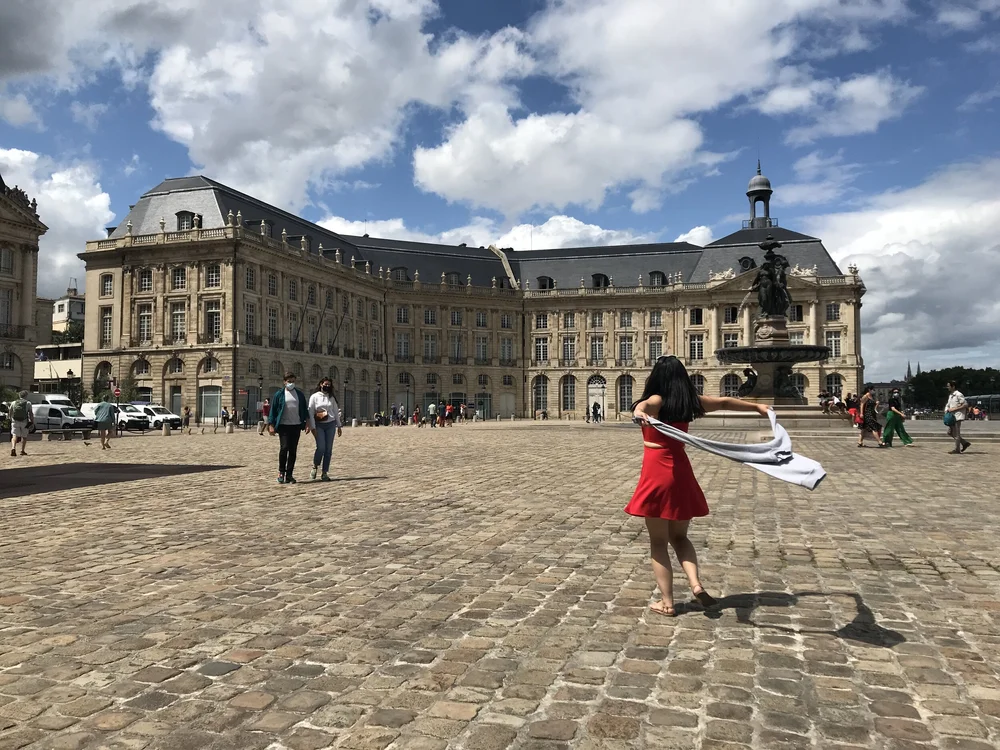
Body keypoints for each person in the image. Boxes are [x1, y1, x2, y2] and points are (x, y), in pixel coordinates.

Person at [628, 356, 769, 617]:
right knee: (680, 537)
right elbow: (725, 402)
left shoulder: (657, 400)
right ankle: (696, 585)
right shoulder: (690, 401)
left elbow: (645, 405)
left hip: (657, 473)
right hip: (681, 471)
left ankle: (667, 603)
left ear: (657, 377)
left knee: (658, 542)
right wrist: (757, 407)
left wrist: (639, 413)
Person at [268, 371, 310, 484]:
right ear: (284, 382)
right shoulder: (279, 394)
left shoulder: (299, 394)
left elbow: (304, 410)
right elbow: (273, 410)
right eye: (288, 381)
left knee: (293, 450)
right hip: (283, 425)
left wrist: (307, 423)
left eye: (292, 381)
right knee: (284, 448)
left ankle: (289, 474)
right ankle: (281, 472)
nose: (291, 383)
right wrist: (271, 424)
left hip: (296, 425)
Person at [307, 377, 342, 481]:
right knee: (321, 447)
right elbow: (310, 412)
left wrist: (339, 425)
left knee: (328, 450)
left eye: (329, 385)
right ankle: (315, 465)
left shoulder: (331, 397)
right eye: (325, 384)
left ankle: (324, 472)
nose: (327, 386)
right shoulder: (314, 397)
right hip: (319, 424)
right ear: (321, 384)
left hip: (330, 424)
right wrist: (313, 427)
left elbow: (335, 412)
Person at [945, 381, 971, 454]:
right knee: (950, 432)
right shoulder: (951, 395)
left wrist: (954, 409)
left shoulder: (958, 394)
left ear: (953, 386)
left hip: (957, 416)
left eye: (948, 386)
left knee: (956, 433)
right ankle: (964, 443)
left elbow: (965, 404)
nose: (947, 387)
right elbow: (948, 404)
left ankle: (957, 449)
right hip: (952, 416)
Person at [9, 390, 33, 457]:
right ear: (26, 396)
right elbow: (30, 413)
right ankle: (22, 450)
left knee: (14, 436)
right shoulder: (28, 403)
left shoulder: (14, 402)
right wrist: (32, 421)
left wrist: (10, 419)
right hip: (24, 422)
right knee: (24, 437)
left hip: (15, 421)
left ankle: (13, 448)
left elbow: (10, 411)